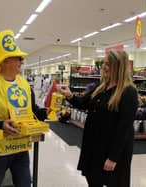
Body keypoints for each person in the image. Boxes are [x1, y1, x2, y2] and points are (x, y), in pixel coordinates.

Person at [59, 50, 138, 187]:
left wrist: (113, 158)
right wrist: (70, 95)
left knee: (113, 181)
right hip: (94, 146)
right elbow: (84, 103)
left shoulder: (128, 92)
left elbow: (124, 128)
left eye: (108, 64)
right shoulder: (101, 86)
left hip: (111, 150)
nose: (103, 67)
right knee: (93, 179)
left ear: (118, 67)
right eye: (103, 63)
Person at [0, 29, 47, 187]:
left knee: (24, 184)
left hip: (21, 147)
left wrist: (47, 111)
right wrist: (0, 125)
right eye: (17, 58)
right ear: (4, 61)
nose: (21, 61)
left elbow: (32, 110)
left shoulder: (25, 84)